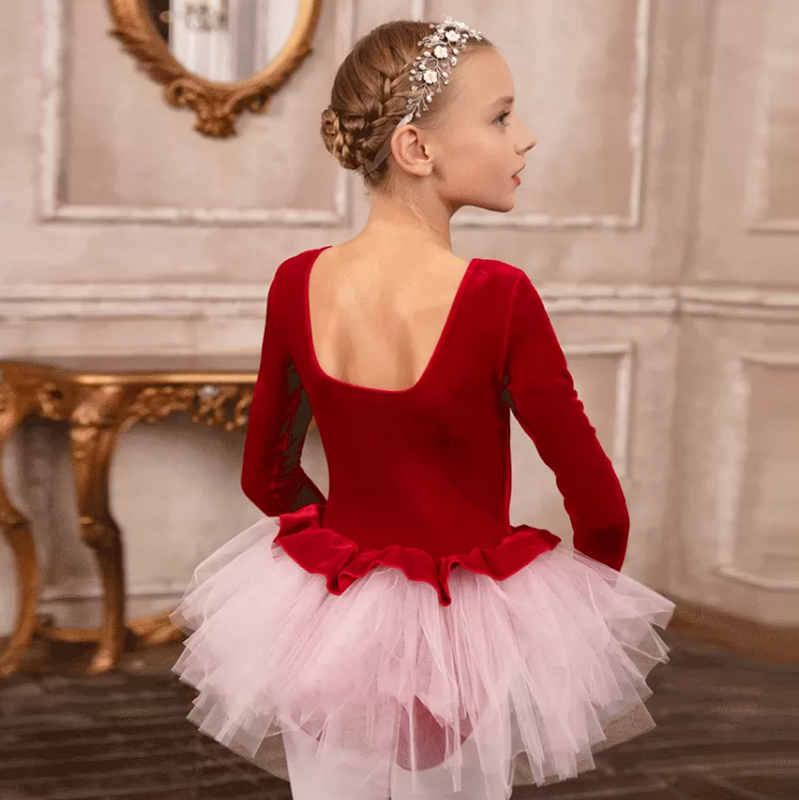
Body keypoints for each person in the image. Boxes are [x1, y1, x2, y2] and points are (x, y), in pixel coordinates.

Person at [170, 16, 676, 800]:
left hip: (330, 617)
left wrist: (346, 558)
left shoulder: (297, 282)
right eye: (500, 117)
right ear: (416, 147)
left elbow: (266, 477)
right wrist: (566, 627)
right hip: (466, 632)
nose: (526, 137)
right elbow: (599, 507)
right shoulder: (499, 297)